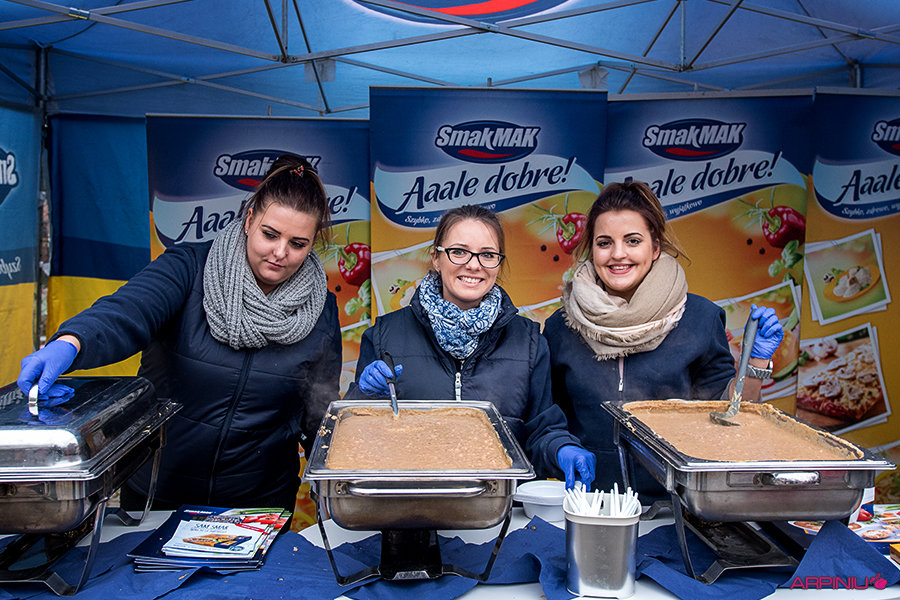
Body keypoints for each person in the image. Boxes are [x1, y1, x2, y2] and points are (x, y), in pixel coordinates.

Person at [17, 154, 341, 512]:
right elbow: (127, 311)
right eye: (270, 234)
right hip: (158, 492)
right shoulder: (188, 268)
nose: (280, 253)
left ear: (312, 243)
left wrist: (331, 485)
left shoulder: (320, 308)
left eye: (298, 244)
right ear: (249, 219)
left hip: (259, 503)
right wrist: (71, 342)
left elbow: (318, 412)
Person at [542, 180, 784, 497]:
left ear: (655, 247)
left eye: (633, 241)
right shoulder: (562, 326)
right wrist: (560, 447)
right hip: (588, 502)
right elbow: (547, 419)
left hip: (676, 507)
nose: (618, 254)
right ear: (592, 250)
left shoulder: (700, 318)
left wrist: (755, 363)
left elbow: (730, 413)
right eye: (604, 243)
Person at [344, 205, 596, 489]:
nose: (474, 265)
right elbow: (354, 434)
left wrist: (561, 449)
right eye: (459, 252)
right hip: (409, 503)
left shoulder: (528, 341)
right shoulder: (384, 335)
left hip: (499, 507)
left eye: (487, 255)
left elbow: (541, 430)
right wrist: (363, 396)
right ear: (436, 257)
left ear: (499, 263)